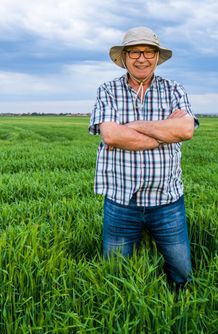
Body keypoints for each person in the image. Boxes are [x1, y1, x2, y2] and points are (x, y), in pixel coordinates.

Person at [89, 26, 199, 289]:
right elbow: (111, 136)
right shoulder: (107, 90)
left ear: (157, 57)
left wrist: (133, 125)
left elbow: (185, 130)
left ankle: (179, 307)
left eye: (149, 52)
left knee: (181, 273)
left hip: (167, 200)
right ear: (124, 57)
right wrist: (163, 132)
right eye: (135, 51)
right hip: (120, 201)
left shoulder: (174, 89)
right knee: (114, 275)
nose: (142, 58)